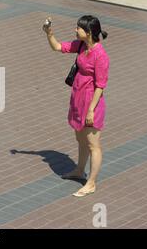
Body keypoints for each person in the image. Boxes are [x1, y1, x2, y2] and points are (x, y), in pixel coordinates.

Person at [43, 15, 109, 197]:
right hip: (78, 100)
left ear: (88, 33)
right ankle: (79, 171)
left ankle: (92, 183)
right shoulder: (80, 46)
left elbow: (101, 85)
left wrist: (91, 110)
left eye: (79, 28)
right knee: (81, 140)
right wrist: (49, 33)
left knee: (93, 145)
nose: (75, 30)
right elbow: (58, 47)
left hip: (91, 104)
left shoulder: (100, 55)